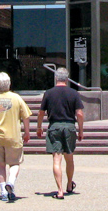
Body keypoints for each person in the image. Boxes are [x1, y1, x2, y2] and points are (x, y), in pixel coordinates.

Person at [0, 72, 31, 202]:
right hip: (13, 136)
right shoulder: (16, 98)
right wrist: (27, 132)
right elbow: (26, 116)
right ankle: (11, 182)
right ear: (9, 83)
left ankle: (3, 191)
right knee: (15, 163)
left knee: (0, 165)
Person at [37, 67, 84, 199]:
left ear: (56, 78)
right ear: (67, 79)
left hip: (54, 127)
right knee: (69, 159)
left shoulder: (49, 93)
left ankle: (60, 190)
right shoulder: (74, 93)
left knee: (57, 160)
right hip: (69, 127)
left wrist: (39, 127)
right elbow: (79, 114)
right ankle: (69, 184)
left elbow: (41, 113)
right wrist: (80, 130)